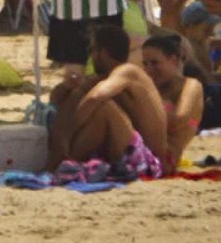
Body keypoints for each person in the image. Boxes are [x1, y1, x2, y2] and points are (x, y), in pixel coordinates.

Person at [48, 25, 168, 177]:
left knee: (102, 107)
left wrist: (71, 132)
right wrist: (67, 86)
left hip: (148, 161)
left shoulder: (128, 71)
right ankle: (59, 160)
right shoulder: (107, 78)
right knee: (75, 97)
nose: (90, 56)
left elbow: (94, 98)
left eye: (92, 50)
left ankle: (65, 161)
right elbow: (57, 99)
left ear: (102, 52)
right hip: (130, 154)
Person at [139, 32, 204, 168]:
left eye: (155, 63)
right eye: (145, 64)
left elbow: (180, 118)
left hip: (165, 158)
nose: (149, 69)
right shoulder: (152, 87)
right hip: (143, 150)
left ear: (173, 60)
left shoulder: (190, 85)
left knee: (128, 74)